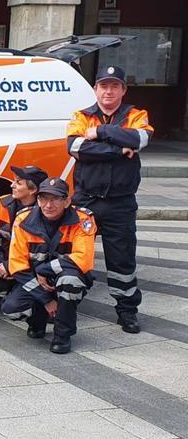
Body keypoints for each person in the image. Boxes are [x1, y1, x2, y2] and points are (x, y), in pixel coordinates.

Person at [66, 65, 153, 334]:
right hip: (86, 200)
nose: (108, 91)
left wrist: (101, 134)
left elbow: (140, 138)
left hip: (120, 202)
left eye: (115, 86)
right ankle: (68, 303)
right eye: (104, 85)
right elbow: (75, 147)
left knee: (122, 260)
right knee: (76, 254)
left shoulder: (136, 115)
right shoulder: (81, 116)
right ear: (96, 89)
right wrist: (118, 149)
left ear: (123, 90)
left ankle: (127, 312)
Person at [0, 178, 96, 354]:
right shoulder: (23, 219)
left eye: (55, 199)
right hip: (35, 281)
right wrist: (46, 300)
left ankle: (62, 335)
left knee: (70, 282)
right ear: (37, 199)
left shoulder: (83, 219)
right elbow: (17, 265)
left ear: (67, 201)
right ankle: (38, 320)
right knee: (11, 309)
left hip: (64, 276)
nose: (48, 205)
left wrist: (44, 269)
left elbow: (84, 258)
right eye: (43, 198)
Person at [0, 165, 48, 296]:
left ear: (33, 189)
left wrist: (12, 267)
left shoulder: (47, 212)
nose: (12, 185)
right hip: (5, 264)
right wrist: (0, 265)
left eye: (18, 182)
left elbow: (41, 254)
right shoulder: (3, 203)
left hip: (30, 269)